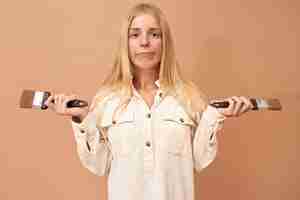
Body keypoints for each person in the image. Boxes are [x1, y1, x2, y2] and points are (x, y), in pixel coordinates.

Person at [45, 3, 253, 200]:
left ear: (165, 42)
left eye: (154, 34)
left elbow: (199, 161)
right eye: (135, 35)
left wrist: (214, 117)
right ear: (125, 43)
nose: (144, 42)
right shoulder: (107, 99)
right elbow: (100, 165)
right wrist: (82, 118)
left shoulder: (188, 96)